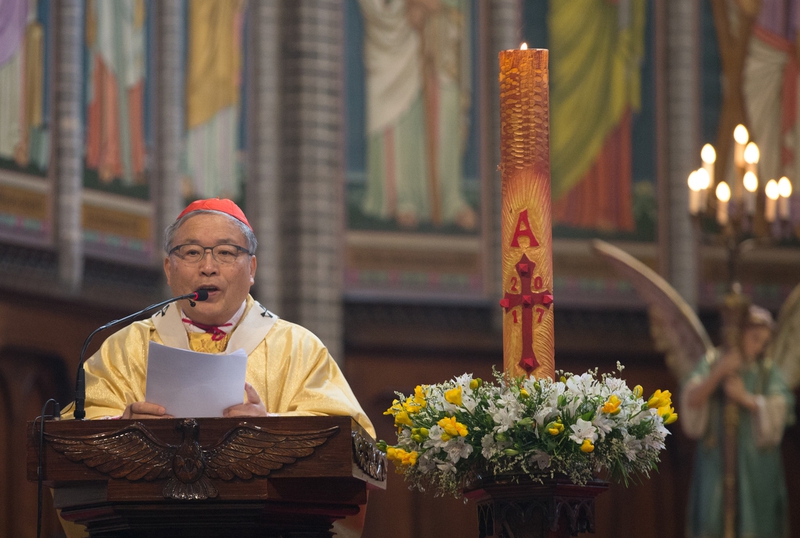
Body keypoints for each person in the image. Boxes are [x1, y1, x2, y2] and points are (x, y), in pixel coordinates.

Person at [60, 197, 373, 537]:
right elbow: (72, 434)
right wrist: (123, 429)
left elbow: (355, 442)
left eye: (225, 252)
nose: (208, 267)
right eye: (192, 252)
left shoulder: (298, 348)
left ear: (251, 268)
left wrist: (273, 428)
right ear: (168, 268)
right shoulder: (127, 347)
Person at [681, 305, 793, 538]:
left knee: (755, 520)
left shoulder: (766, 371)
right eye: (754, 338)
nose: (759, 346)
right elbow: (691, 399)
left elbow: (782, 407)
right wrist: (719, 373)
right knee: (713, 517)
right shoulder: (713, 361)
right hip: (717, 456)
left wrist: (746, 399)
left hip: (756, 462)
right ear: (739, 333)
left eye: (764, 342)